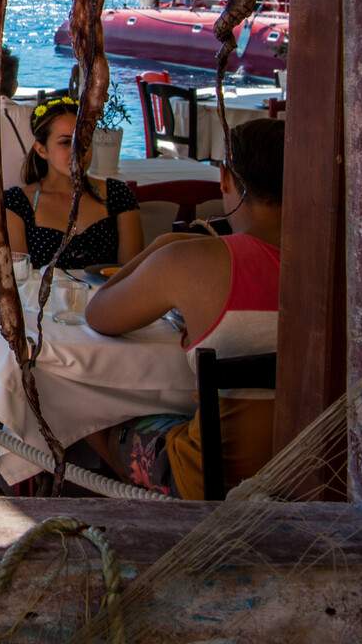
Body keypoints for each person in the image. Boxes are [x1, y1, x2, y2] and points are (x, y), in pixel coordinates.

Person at [85, 118, 285, 499]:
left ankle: (158, 520)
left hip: (210, 479)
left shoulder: (189, 259)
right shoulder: (344, 261)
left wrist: (163, 245)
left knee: (89, 414)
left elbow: (100, 314)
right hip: (319, 469)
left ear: (225, 180)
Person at [2, 96, 142, 270]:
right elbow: (17, 278)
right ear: (42, 150)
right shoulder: (17, 204)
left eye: (84, 140)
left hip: (109, 296)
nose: (78, 151)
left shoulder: (117, 195)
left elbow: (132, 274)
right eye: (66, 142)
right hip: (42, 297)